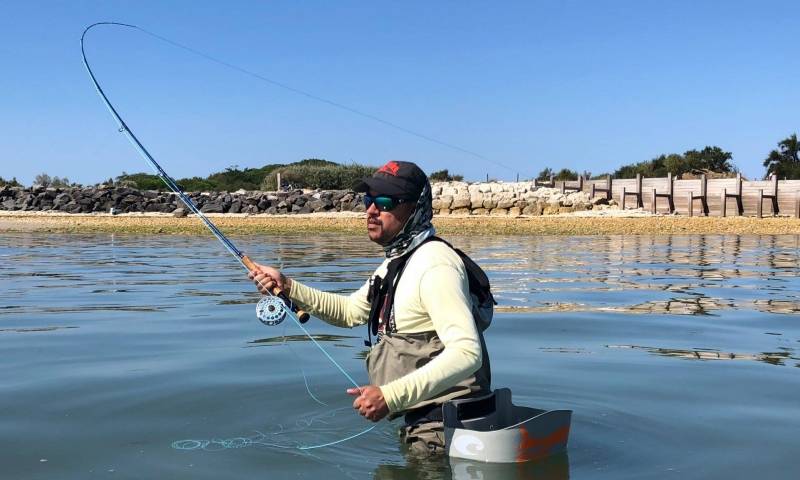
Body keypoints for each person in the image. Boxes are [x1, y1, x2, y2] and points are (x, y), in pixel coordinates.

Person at [248, 160, 491, 455]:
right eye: (369, 200)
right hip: (425, 422)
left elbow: (467, 353)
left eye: (386, 201)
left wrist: (389, 396)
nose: (372, 210)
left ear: (415, 208)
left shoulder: (435, 265)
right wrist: (288, 286)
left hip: (449, 432)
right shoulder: (398, 262)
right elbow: (352, 311)